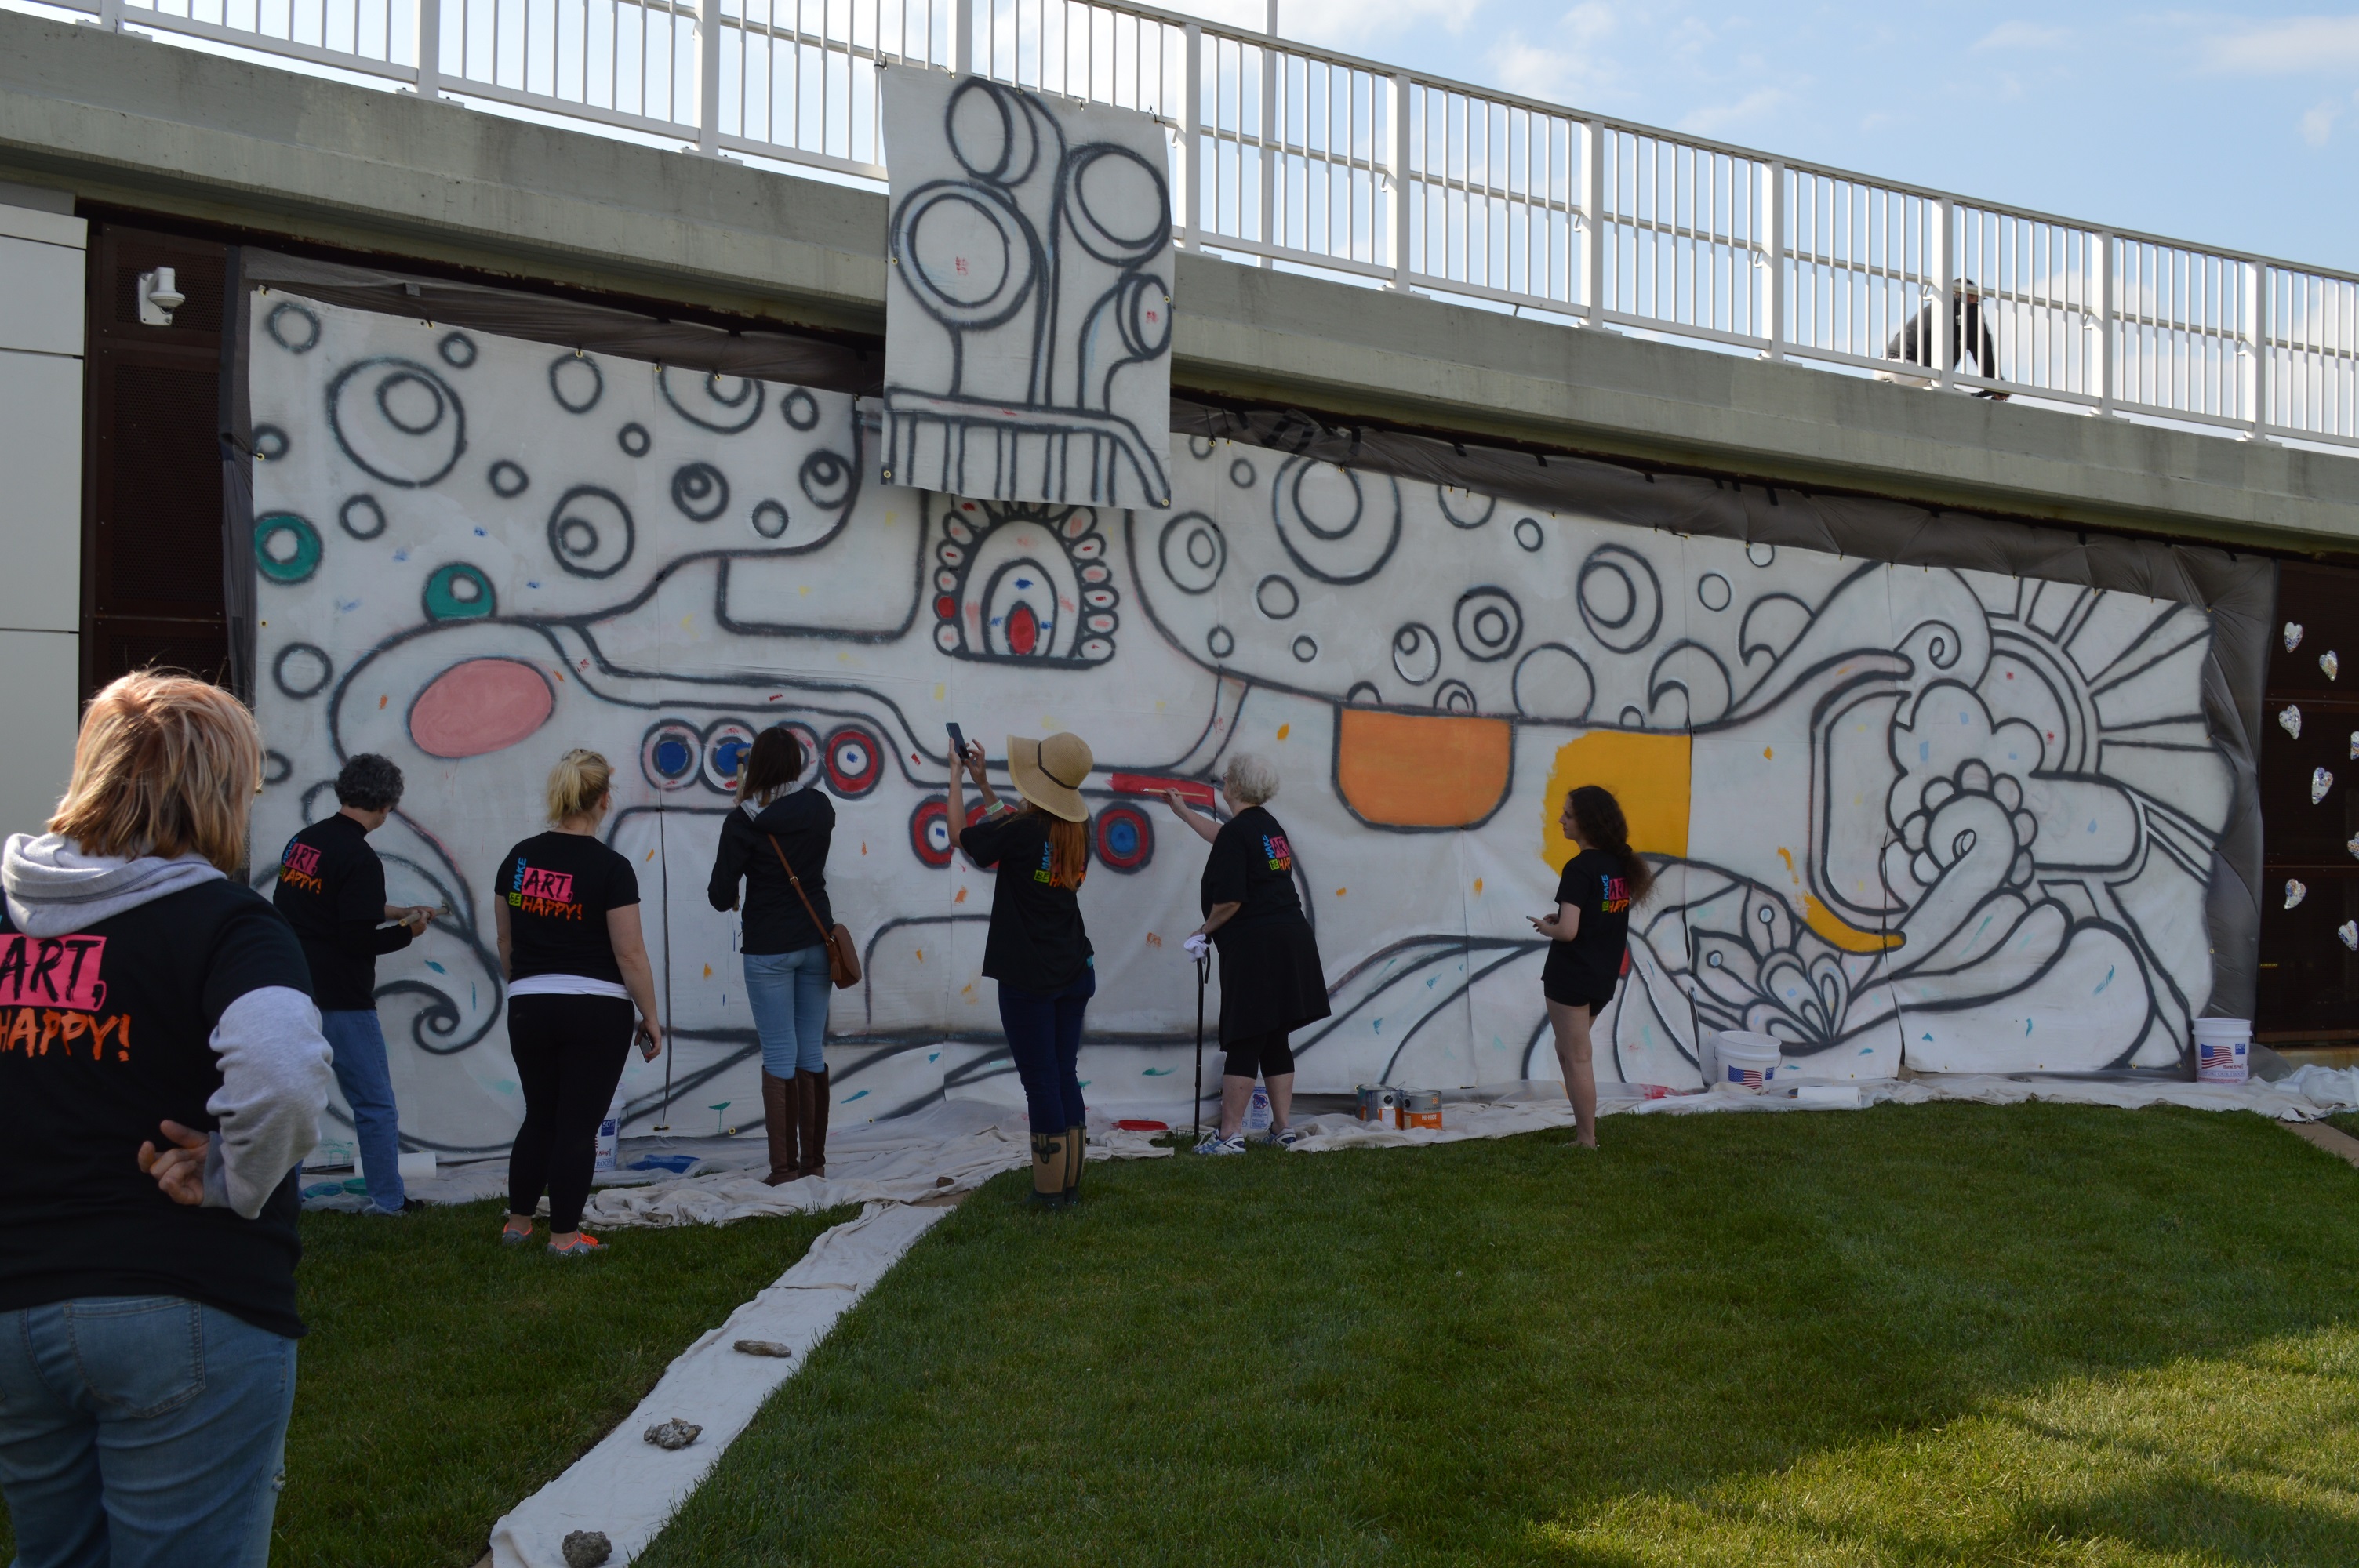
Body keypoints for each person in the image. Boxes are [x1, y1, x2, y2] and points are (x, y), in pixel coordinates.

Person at [0, 671, 335, 1566]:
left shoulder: (7, 914)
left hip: (17, 1305)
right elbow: (283, 1070)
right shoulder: (227, 922)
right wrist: (234, 1173)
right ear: (222, 790)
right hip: (185, 1301)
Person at [494, 750, 663, 1255]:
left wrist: (527, 984)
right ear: (604, 800)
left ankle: (518, 1223)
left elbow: (505, 941)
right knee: (576, 1125)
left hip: (528, 1001)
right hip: (596, 1008)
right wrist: (650, 1016)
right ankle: (565, 1237)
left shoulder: (518, 859)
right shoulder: (611, 867)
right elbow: (629, 953)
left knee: (539, 1115)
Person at [270, 753, 434, 1215]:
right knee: (375, 1105)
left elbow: (324, 904)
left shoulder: (304, 843)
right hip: (343, 998)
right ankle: (388, 1200)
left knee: (294, 1102)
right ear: (386, 806)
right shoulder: (360, 857)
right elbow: (357, 937)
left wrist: (397, 910)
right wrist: (410, 931)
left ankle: (284, 1200)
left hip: (294, 991)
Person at [946, 732, 1095, 1210]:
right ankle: (1068, 1187)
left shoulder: (1025, 831)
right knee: (1063, 1074)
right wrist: (985, 786)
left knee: (1041, 1081)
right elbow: (1014, 829)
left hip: (1029, 977)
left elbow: (962, 839)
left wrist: (955, 779)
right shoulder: (1075, 830)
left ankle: (1048, 1194)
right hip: (1073, 967)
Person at [1159, 753, 1331, 1154]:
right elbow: (1224, 838)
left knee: (1244, 1035)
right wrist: (1183, 812)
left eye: (1228, 776)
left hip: (1258, 947)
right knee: (1274, 1036)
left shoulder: (1241, 832)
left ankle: (1229, 1135)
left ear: (1236, 786)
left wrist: (1202, 931)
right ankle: (1283, 1128)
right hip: (1292, 939)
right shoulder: (1268, 827)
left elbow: (1231, 901)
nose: (1224, 779)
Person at [707, 727, 837, 1184]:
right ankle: (814, 1166)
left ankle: (783, 1172)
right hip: (819, 942)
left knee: (780, 1053)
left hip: (768, 950)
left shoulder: (743, 821)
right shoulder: (821, 808)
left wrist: (740, 825)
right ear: (798, 764)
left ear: (757, 766)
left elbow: (720, 896)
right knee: (811, 1051)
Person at [1529, 784, 1656, 1149]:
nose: (1561, 820)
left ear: (1587, 822)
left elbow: (1567, 932)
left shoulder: (1579, 867)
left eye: (1568, 814)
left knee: (1577, 1056)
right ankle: (1585, 1134)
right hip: (1602, 976)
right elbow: (1596, 919)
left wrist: (1547, 926)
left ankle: (1587, 1140)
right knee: (1569, 1051)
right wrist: (1566, 920)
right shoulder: (1618, 866)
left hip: (1571, 976)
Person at [1883, 278, 2010, 399]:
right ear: (1962, 295)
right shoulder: (1967, 312)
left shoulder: (1933, 309)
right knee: (1953, 400)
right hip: (1910, 371)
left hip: (1884, 366)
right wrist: (1997, 386)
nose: (1975, 303)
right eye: (1973, 298)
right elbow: (1982, 350)